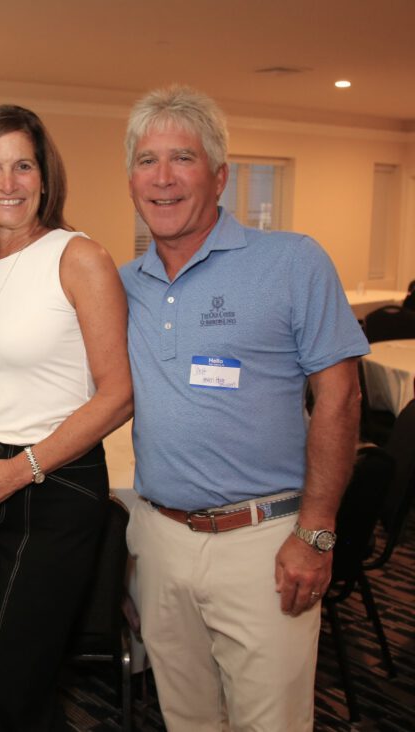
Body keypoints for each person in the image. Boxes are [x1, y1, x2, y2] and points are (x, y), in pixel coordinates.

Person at [120, 85, 369, 731]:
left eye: (183, 158)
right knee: (187, 719)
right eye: (147, 161)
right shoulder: (122, 286)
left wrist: (316, 532)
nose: (163, 178)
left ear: (220, 176)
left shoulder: (291, 261)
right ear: (131, 180)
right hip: (159, 539)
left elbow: (341, 396)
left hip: (265, 543)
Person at [0, 105, 132, 731]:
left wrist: (20, 469)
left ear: (45, 177)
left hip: (51, 484)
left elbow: (118, 394)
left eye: (23, 166)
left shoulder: (78, 256)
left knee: (13, 685)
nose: (8, 183)